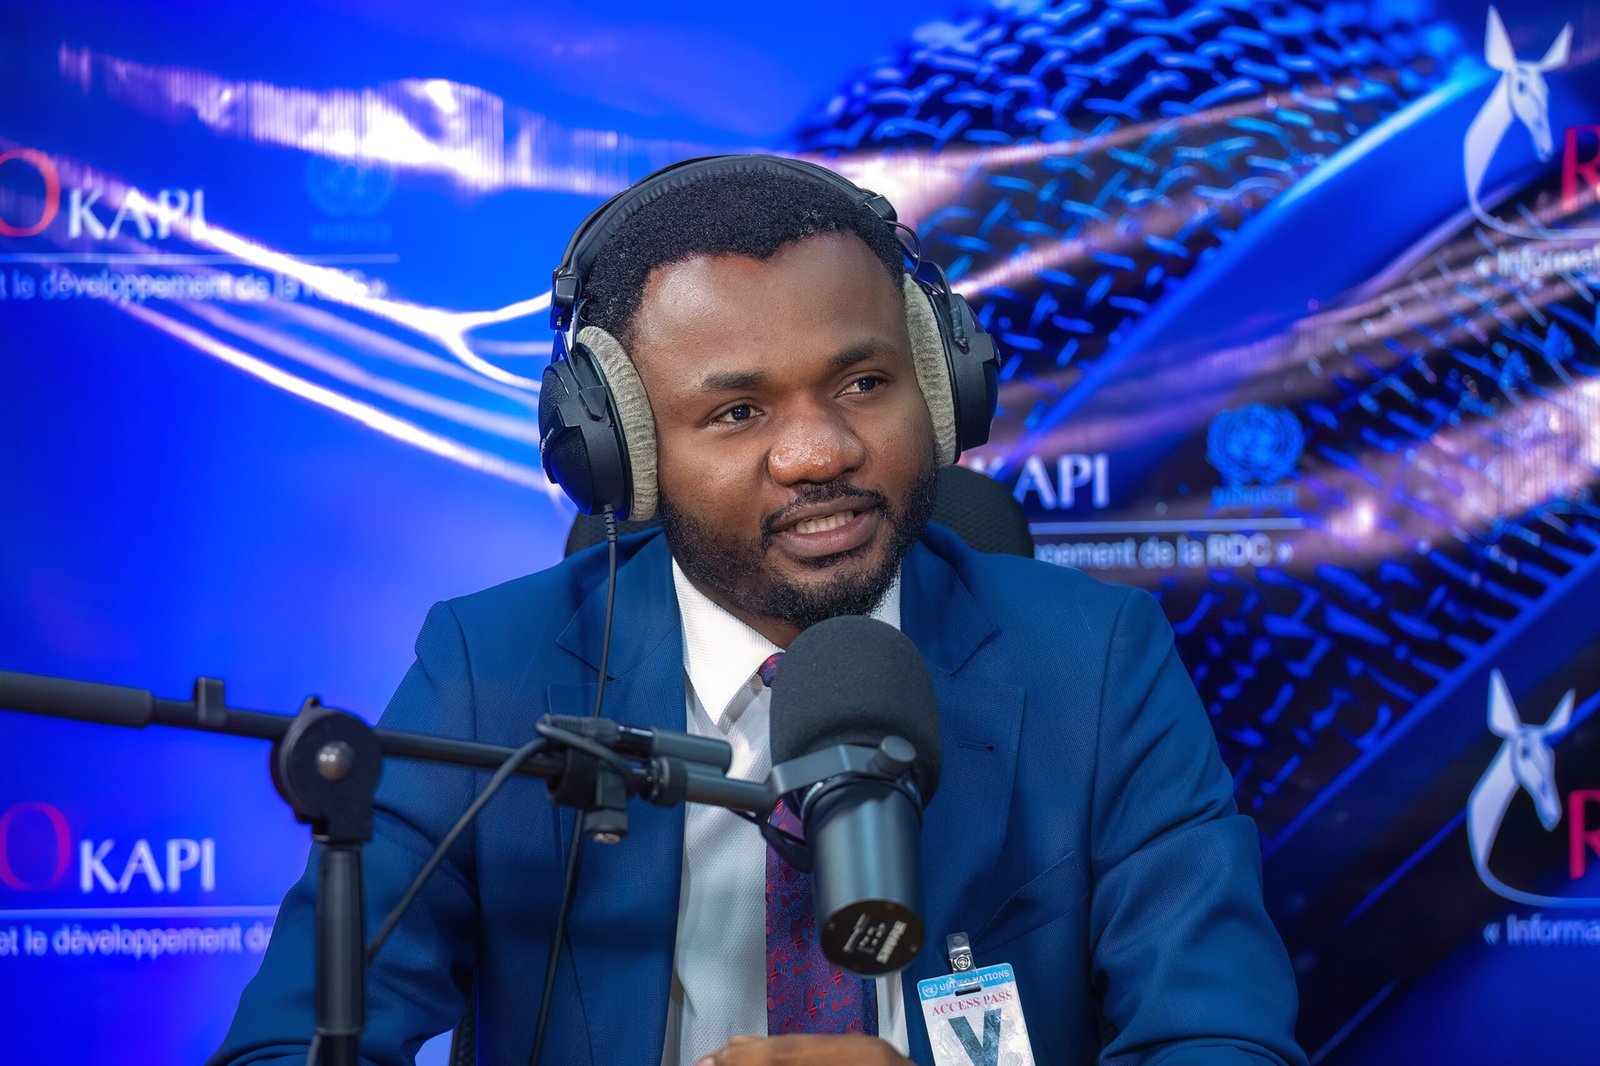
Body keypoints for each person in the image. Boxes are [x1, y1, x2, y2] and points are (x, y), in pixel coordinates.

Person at [213, 157, 1306, 1066]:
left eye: (865, 383)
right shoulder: (489, 673)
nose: (819, 451)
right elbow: (286, 1049)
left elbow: (1224, 1041)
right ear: (621, 453)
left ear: (938, 385)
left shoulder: (1095, 661)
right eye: (737, 411)